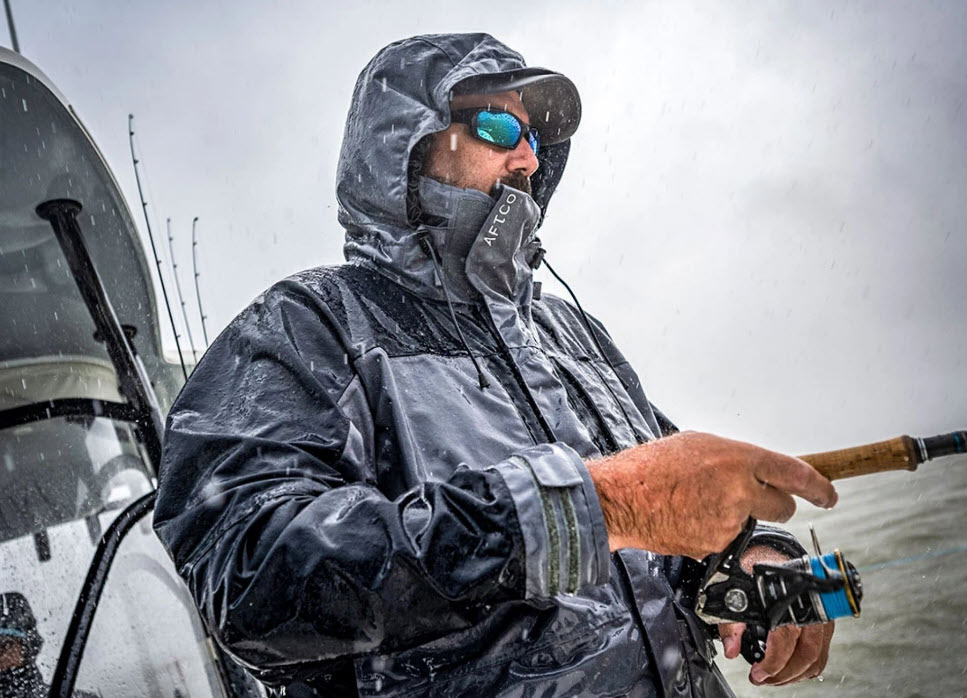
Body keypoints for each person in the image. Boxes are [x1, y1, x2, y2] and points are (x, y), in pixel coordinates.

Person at [154, 33, 837, 697]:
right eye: (497, 127)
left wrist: (753, 557)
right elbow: (249, 581)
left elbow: (671, 507)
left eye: (533, 137)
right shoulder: (306, 327)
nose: (527, 159)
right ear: (406, 144)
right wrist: (596, 507)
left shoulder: (569, 330)